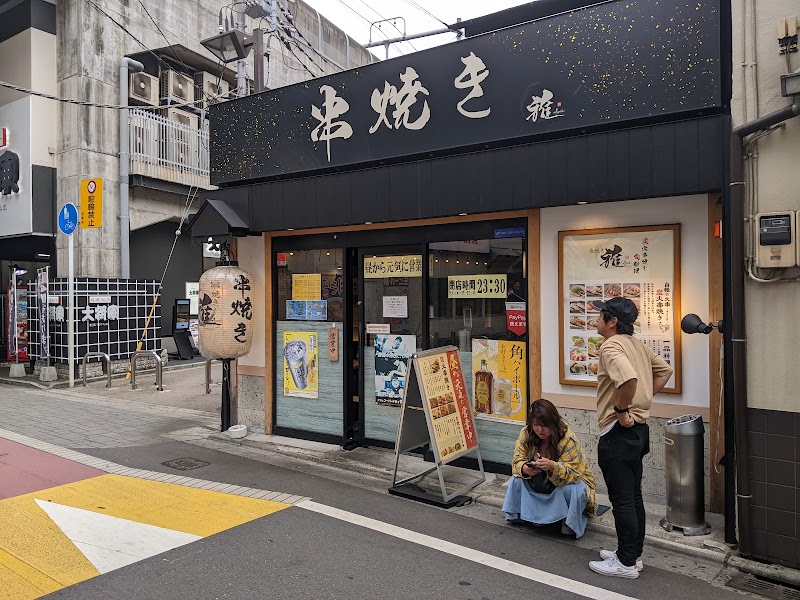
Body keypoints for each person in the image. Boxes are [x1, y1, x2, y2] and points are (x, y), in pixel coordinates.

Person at [587, 297, 673, 579]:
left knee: (622, 499)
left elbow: (628, 381)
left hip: (618, 431)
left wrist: (623, 409)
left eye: (601, 315)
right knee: (633, 496)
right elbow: (665, 371)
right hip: (638, 431)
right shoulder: (638, 345)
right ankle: (632, 554)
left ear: (612, 321)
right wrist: (641, 402)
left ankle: (624, 563)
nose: (596, 320)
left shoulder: (611, 345)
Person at [502, 399, 597, 538]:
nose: (540, 430)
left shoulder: (567, 438)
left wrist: (553, 466)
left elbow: (575, 474)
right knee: (516, 479)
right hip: (538, 479)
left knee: (576, 489)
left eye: (545, 426)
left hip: (563, 482)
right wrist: (525, 469)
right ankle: (525, 515)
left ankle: (569, 522)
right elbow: (517, 460)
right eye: (536, 425)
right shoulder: (527, 432)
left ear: (553, 423)